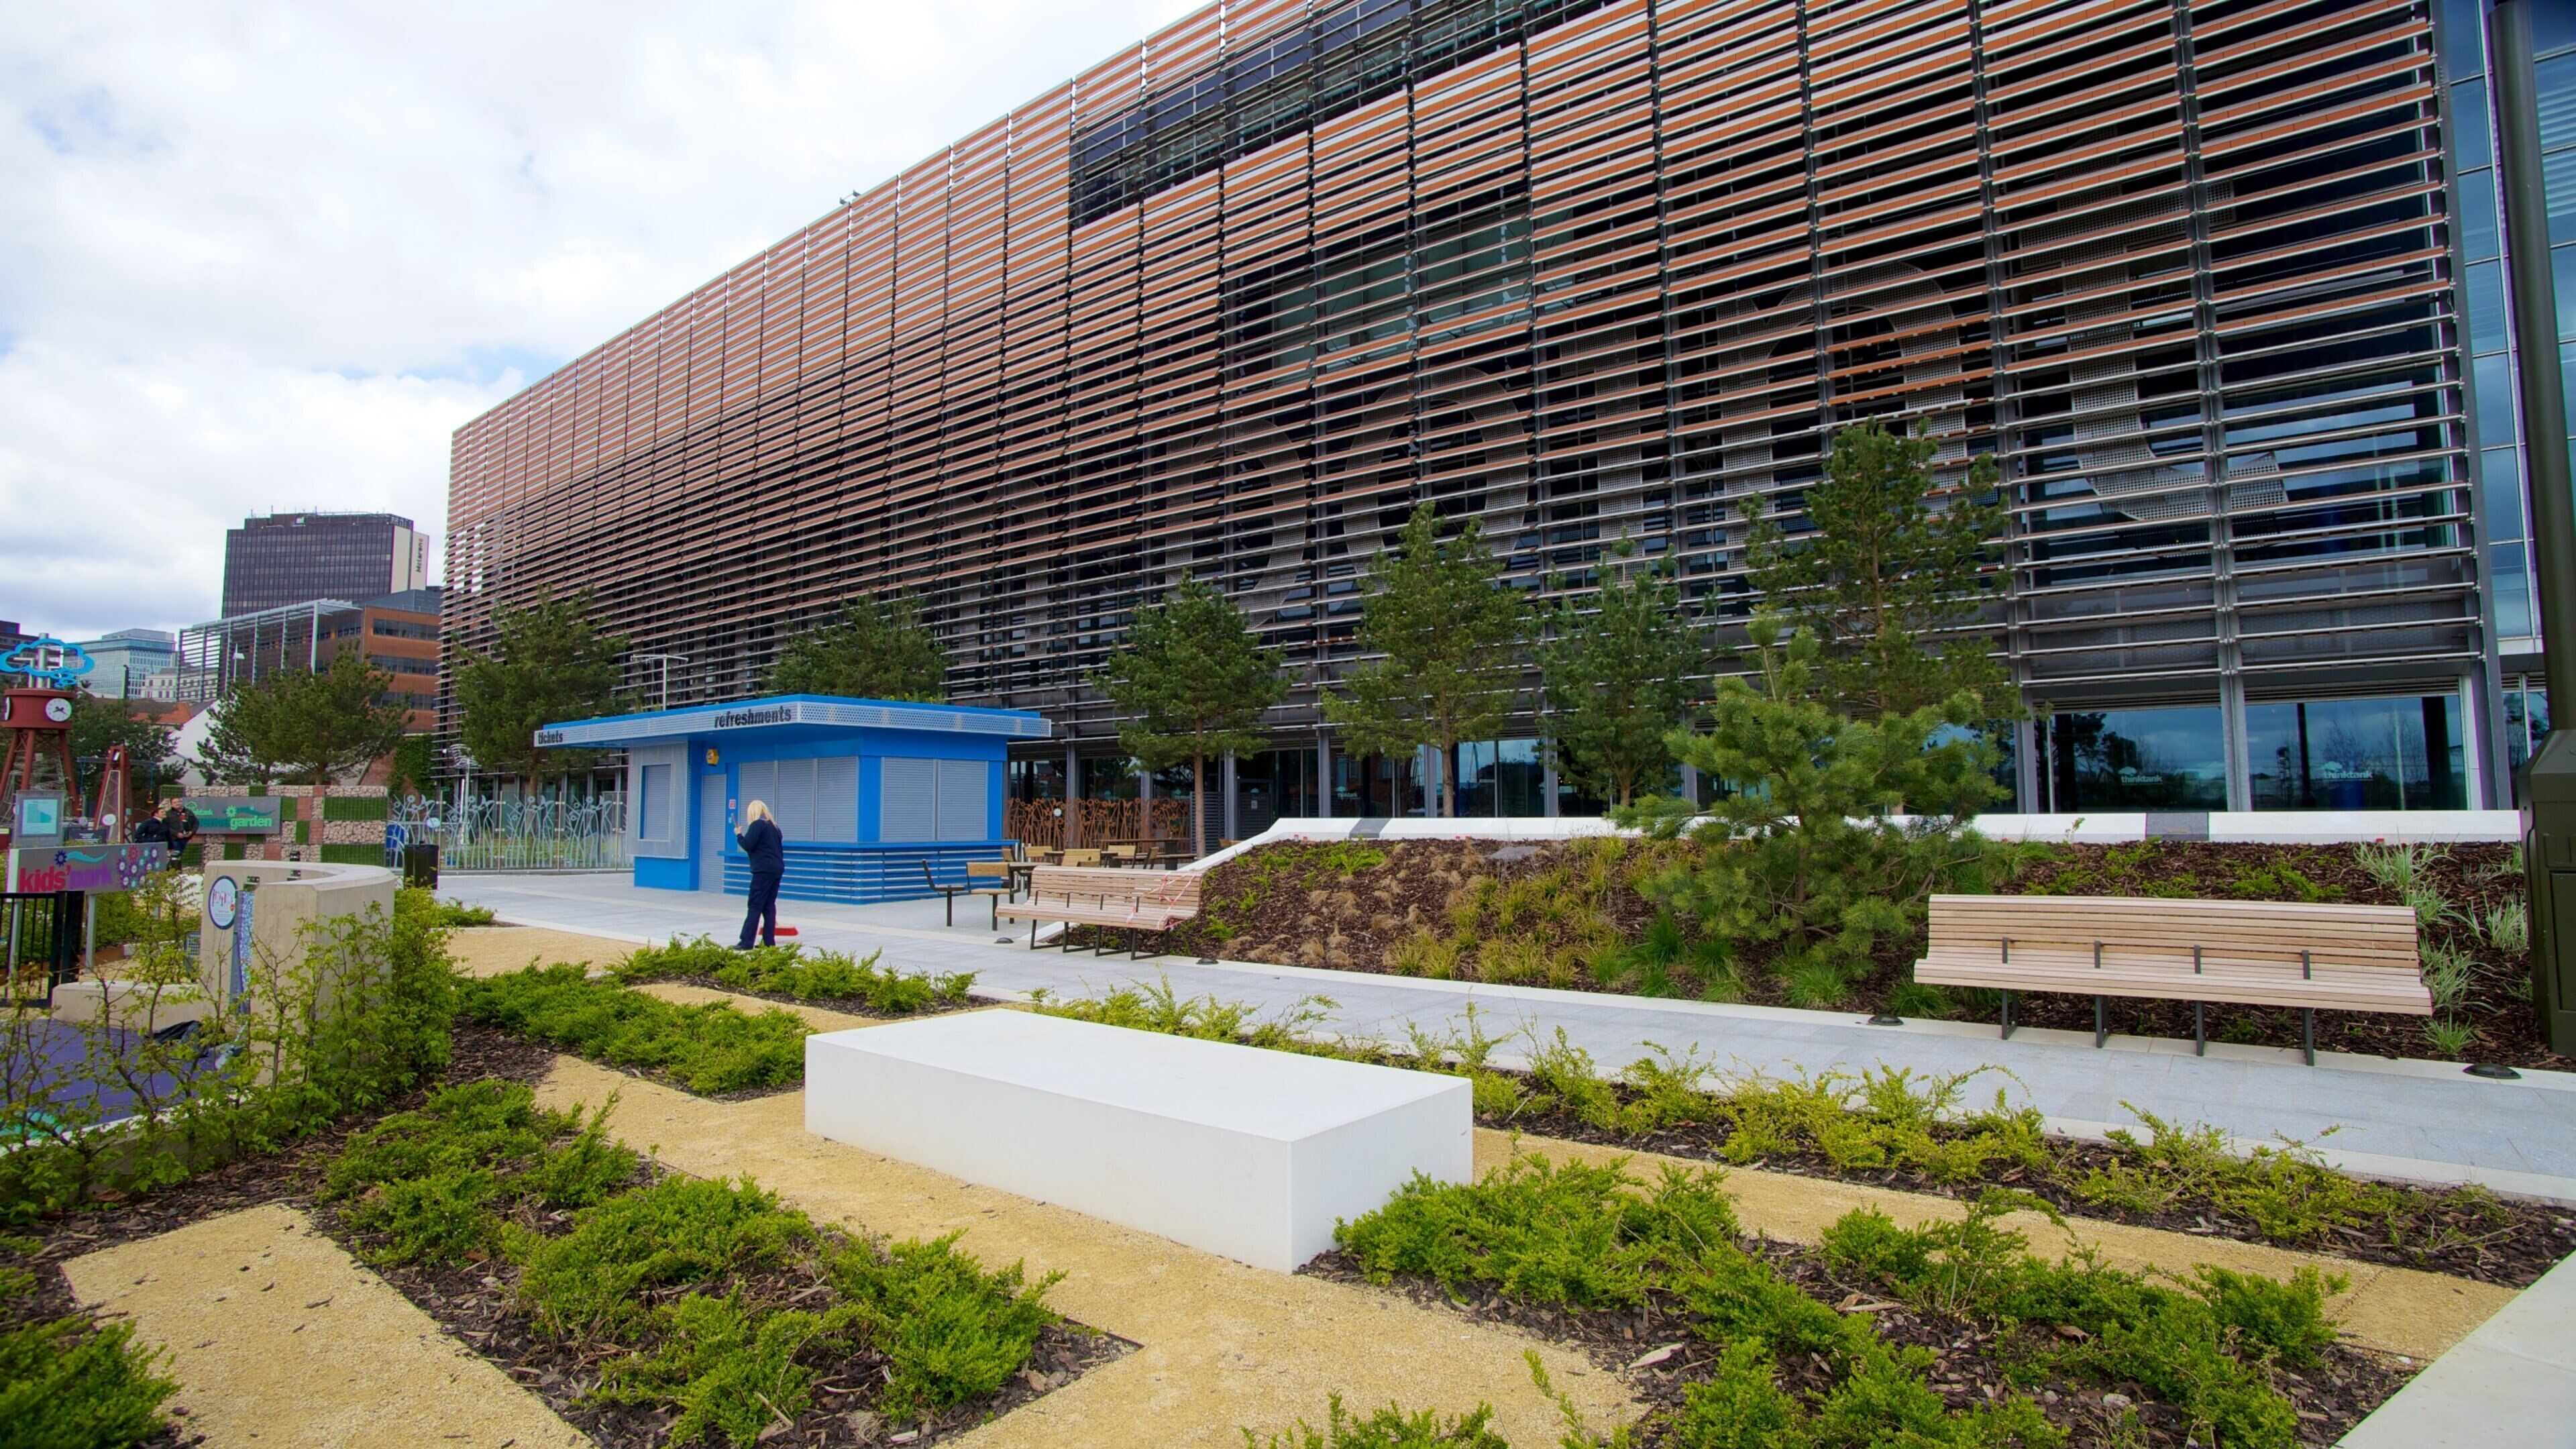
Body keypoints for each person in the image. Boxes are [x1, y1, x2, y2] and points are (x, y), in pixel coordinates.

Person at [735, 799, 784, 949]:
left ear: (753, 812)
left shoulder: (757, 825)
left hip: (762, 871)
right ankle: (769, 942)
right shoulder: (775, 827)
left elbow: (748, 845)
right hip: (776, 870)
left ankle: (746, 942)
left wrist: (739, 835)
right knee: (769, 905)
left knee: (755, 905)